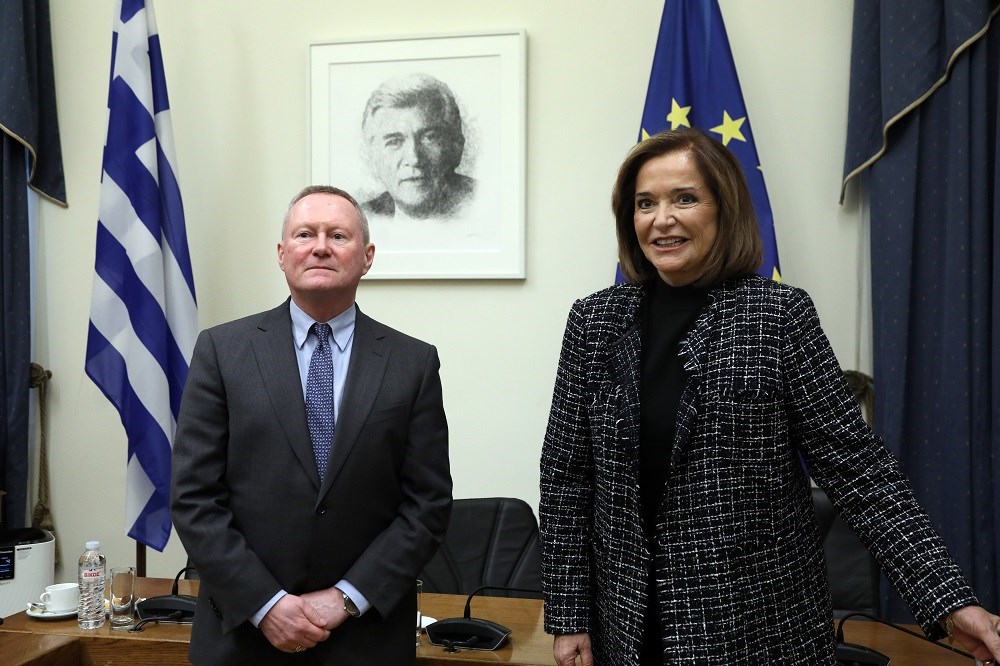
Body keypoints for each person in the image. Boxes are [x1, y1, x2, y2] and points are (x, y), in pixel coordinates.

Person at [538, 128, 1000, 665]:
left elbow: (859, 471)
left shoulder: (778, 316)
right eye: (645, 203)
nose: (661, 219)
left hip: (759, 632)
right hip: (629, 631)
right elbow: (567, 478)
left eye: (684, 198)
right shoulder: (595, 322)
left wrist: (948, 600)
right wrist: (569, 618)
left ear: (724, 208)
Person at [171, 185, 452, 664]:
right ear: (282, 254)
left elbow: (427, 505)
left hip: (366, 639)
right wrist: (266, 604)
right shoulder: (222, 351)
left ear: (367, 257)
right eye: (305, 234)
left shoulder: (413, 363)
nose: (320, 247)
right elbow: (194, 498)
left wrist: (346, 598)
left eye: (338, 236)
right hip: (243, 639)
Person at [360, 73, 476, 221]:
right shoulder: (358, 217)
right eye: (394, 142)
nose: (414, 159)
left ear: (456, 146)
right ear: (373, 155)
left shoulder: (492, 203)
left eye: (430, 138)